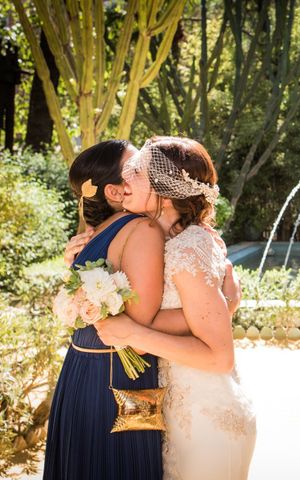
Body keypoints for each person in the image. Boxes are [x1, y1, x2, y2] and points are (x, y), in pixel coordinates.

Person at [94, 137, 256, 480]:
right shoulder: (168, 240)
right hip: (179, 417)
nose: (124, 183)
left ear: (164, 189)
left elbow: (219, 356)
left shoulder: (189, 247)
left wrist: (136, 334)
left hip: (208, 422)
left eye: (135, 172)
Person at [44, 140, 165, 480]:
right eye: (135, 168)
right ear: (115, 191)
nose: (146, 170)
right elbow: (141, 331)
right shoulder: (141, 229)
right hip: (117, 381)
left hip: (82, 369)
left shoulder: (98, 232)